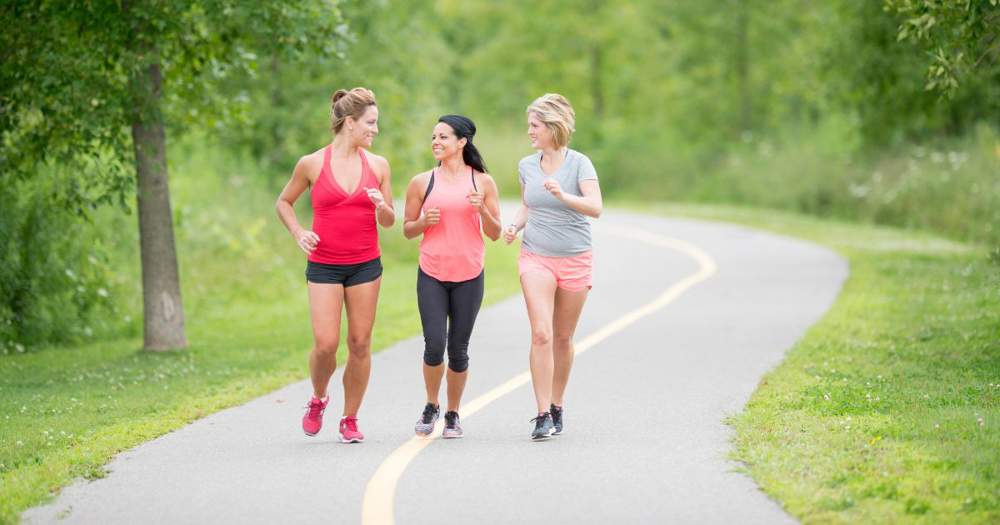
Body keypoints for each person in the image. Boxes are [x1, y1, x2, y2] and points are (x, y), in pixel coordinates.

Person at [275, 87, 395, 443]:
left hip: (365, 265)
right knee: (326, 344)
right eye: (370, 123)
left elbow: (389, 221)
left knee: (359, 343)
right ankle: (318, 397)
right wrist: (298, 232)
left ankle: (350, 418)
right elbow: (284, 202)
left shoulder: (378, 165)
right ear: (349, 123)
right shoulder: (311, 163)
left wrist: (380, 206)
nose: (375, 130)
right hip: (324, 265)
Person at [503, 94, 603, 440]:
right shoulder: (526, 166)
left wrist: (563, 196)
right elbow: (528, 205)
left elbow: (595, 207)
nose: (529, 131)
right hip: (536, 257)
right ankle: (542, 412)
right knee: (541, 333)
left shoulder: (580, 164)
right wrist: (515, 226)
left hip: (575, 257)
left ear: (552, 127)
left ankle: (558, 403)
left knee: (562, 337)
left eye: (534, 126)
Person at [403, 115, 501, 439]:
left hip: (469, 274)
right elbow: (407, 229)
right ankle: (431, 405)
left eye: (443, 137)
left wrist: (481, 211)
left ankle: (453, 413)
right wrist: (423, 223)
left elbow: (496, 233)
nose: (436, 142)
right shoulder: (422, 182)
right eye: (434, 137)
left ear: (462, 142)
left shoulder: (482, 182)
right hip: (432, 272)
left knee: (458, 350)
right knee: (434, 344)